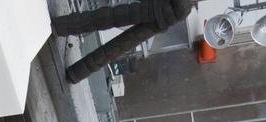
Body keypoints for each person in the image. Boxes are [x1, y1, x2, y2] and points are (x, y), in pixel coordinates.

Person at [50, 0, 191, 83]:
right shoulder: (185, 11)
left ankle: (60, 26)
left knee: (101, 18)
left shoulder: (183, 5)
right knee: (111, 51)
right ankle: (75, 74)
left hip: (145, 10)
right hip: (152, 27)